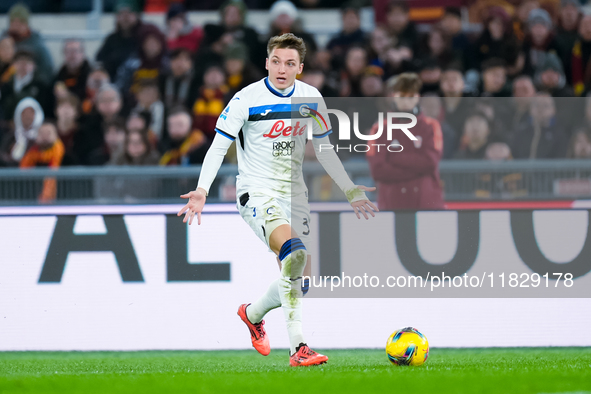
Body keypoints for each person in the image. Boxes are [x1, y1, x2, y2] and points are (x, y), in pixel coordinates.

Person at [177, 33, 377, 367]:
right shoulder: (245, 99)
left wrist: (349, 188)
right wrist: (202, 190)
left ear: (300, 68)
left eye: (289, 63)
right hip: (256, 192)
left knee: (301, 280)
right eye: (275, 61)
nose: (281, 69)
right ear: (267, 62)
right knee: (295, 255)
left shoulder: (311, 98)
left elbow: (324, 150)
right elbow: (218, 146)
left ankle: (252, 314)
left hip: (295, 195)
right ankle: (300, 349)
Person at [366, 73, 445, 210]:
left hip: (427, 204)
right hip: (392, 205)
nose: (406, 101)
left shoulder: (431, 126)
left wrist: (395, 158)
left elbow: (430, 163)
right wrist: (418, 170)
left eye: (410, 96)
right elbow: (377, 171)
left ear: (417, 98)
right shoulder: (379, 128)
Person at [5, 3, 54, 84]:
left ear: (26, 24)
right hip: (7, 86)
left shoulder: (37, 43)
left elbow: (47, 68)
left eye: (20, 22)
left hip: (32, 85)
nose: (16, 25)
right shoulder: (4, 40)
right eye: (13, 22)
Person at [20, 122, 64, 202]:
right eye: (42, 133)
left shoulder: (65, 158)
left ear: (56, 135)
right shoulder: (29, 154)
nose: (45, 136)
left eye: (48, 133)